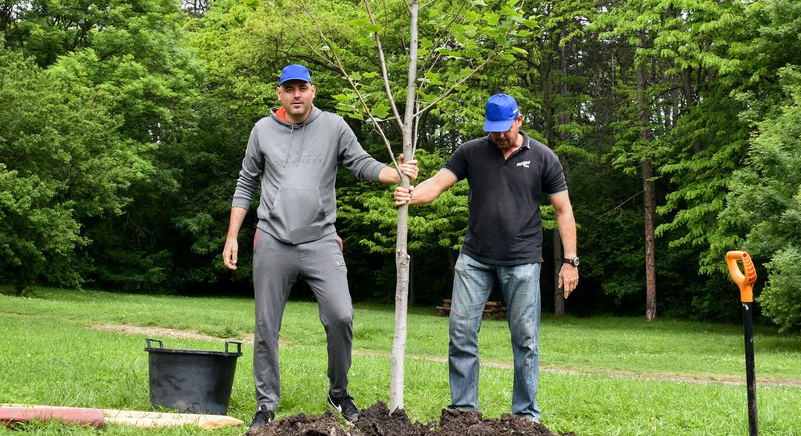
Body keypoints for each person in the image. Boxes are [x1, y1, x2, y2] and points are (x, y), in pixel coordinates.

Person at [223, 64, 417, 431]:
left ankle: (339, 392)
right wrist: (233, 236)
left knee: (341, 315)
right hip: (272, 239)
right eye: (289, 88)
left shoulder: (334, 127)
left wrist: (395, 173)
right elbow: (246, 182)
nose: (296, 94)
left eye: (302, 87)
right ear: (279, 94)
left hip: (321, 238)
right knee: (266, 326)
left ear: (313, 91)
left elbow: (360, 163)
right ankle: (266, 406)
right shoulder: (262, 131)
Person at [392, 93, 578, 422]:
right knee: (461, 331)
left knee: (526, 339)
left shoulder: (543, 158)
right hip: (475, 258)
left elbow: (563, 211)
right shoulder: (472, 152)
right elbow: (436, 184)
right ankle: (464, 411)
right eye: (493, 129)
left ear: (519, 120)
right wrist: (411, 194)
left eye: (504, 128)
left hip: (522, 260)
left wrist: (570, 260)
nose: (499, 135)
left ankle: (525, 416)